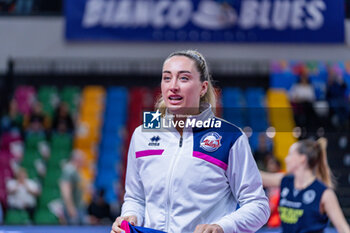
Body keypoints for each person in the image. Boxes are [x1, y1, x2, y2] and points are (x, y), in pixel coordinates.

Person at [111, 50, 270, 233]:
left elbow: (258, 205)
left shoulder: (230, 136)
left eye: (184, 78)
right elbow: (136, 198)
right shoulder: (143, 133)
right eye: (167, 78)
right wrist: (130, 216)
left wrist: (221, 227)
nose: (173, 86)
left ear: (203, 88)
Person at [261, 138, 350, 233]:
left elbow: (343, 228)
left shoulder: (324, 193)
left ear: (302, 159)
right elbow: (256, 177)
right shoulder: (285, 180)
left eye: (290, 154)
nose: (286, 159)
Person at [59, 150, 85, 225]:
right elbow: (65, 188)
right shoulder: (69, 170)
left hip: (78, 206)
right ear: (77, 159)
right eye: (82, 159)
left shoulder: (75, 170)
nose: (84, 161)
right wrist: (70, 208)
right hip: (73, 208)